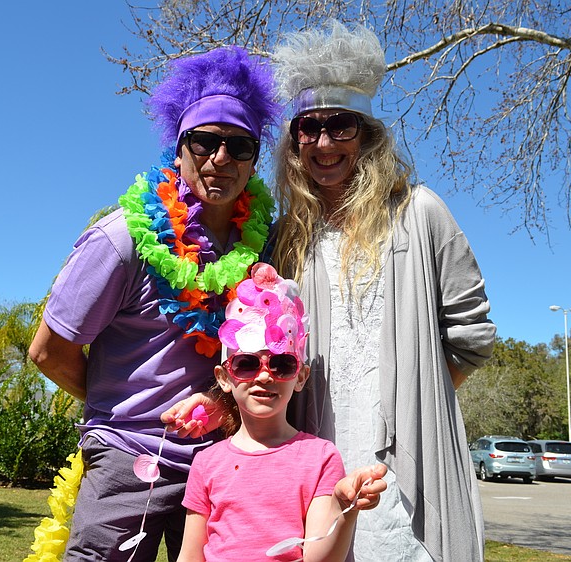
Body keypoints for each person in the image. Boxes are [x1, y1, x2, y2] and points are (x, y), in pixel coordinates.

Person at [28, 46, 281, 561]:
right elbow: (48, 351)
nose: (221, 158)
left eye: (239, 145)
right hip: (129, 460)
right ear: (179, 147)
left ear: (254, 159)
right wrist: (123, 412)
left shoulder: (266, 247)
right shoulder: (122, 239)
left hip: (226, 462)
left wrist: (225, 406)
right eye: (205, 141)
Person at [269, 21, 496, 562]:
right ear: (294, 141)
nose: (324, 143)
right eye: (308, 128)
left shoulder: (420, 212)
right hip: (317, 460)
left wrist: (418, 396)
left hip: (408, 467)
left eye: (341, 126)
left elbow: (472, 335)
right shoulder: (284, 238)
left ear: (367, 135)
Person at [168, 262, 388, 562]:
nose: (264, 376)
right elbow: (190, 555)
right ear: (224, 378)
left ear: (300, 377)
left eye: (281, 364)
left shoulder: (320, 457)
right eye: (246, 364)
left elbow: (320, 558)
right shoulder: (207, 463)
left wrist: (343, 508)